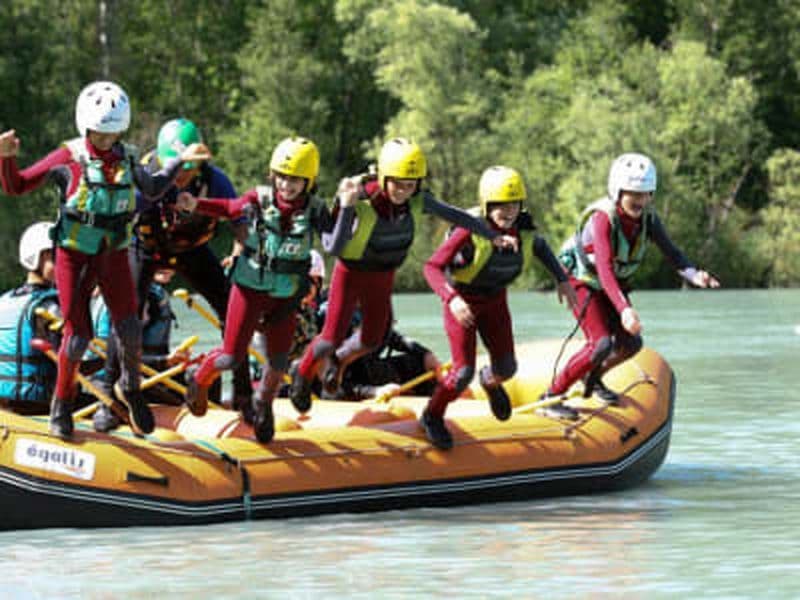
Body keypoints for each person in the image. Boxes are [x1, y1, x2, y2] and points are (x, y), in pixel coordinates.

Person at [0, 81, 208, 437]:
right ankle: (62, 403)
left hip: (112, 251)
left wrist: (178, 163)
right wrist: (6, 156)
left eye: (113, 134)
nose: (106, 141)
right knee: (78, 336)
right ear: (86, 126)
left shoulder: (126, 156)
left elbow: (154, 188)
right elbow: (16, 186)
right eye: (100, 134)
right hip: (74, 255)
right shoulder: (68, 157)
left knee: (129, 326)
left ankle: (129, 388)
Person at [290, 138, 518, 412]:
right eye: (397, 183)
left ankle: (339, 362)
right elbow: (332, 246)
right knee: (329, 338)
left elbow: (459, 217)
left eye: (410, 185)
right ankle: (301, 375)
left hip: (383, 277)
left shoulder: (418, 200)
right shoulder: (360, 195)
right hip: (351, 273)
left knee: (372, 339)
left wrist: (493, 236)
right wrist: (347, 205)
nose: (403, 191)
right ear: (384, 177)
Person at [175, 136, 355, 443]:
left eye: (295, 179)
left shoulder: (315, 209)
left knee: (278, 361)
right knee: (231, 357)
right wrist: (197, 204)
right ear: (273, 175)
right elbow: (231, 208)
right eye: (282, 177)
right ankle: (200, 378)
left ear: (308, 181)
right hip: (249, 289)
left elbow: (334, 244)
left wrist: (347, 207)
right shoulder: (259, 199)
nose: (287, 185)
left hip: (285, 296)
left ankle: (264, 404)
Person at [540, 152, 720, 418]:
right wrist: (624, 309)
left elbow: (672, 253)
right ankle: (551, 397)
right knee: (600, 344)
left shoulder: (648, 219)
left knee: (630, 343)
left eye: (646, 193)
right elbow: (603, 267)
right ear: (618, 191)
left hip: (608, 283)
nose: (640, 200)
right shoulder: (602, 219)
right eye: (634, 193)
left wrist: (694, 275)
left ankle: (592, 376)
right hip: (580, 278)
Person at [99, 117, 251, 420]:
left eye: (187, 167)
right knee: (127, 315)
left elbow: (241, 224)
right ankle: (108, 398)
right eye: (175, 166)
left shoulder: (216, 181)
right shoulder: (145, 177)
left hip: (191, 249)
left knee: (233, 307)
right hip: (145, 246)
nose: (180, 175)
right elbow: (113, 224)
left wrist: (240, 253)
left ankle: (245, 396)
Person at [421, 166, 577, 448]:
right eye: (499, 205)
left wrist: (562, 280)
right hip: (463, 303)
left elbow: (541, 249)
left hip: (495, 301)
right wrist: (451, 299)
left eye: (513, 204)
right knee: (461, 373)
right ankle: (432, 416)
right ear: (486, 205)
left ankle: (490, 382)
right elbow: (431, 267)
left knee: (507, 368)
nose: (508, 211)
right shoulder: (468, 230)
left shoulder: (525, 232)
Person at [91, 268, 188, 431]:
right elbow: (112, 356)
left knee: (197, 374)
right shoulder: (138, 297)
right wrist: (164, 361)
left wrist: (169, 360)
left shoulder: (150, 294)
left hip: (140, 373)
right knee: (190, 381)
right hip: (114, 380)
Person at [0, 222, 60, 414]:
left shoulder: (5, 299)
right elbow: (67, 359)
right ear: (37, 258)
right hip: (34, 404)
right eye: (56, 258)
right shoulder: (48, 304)